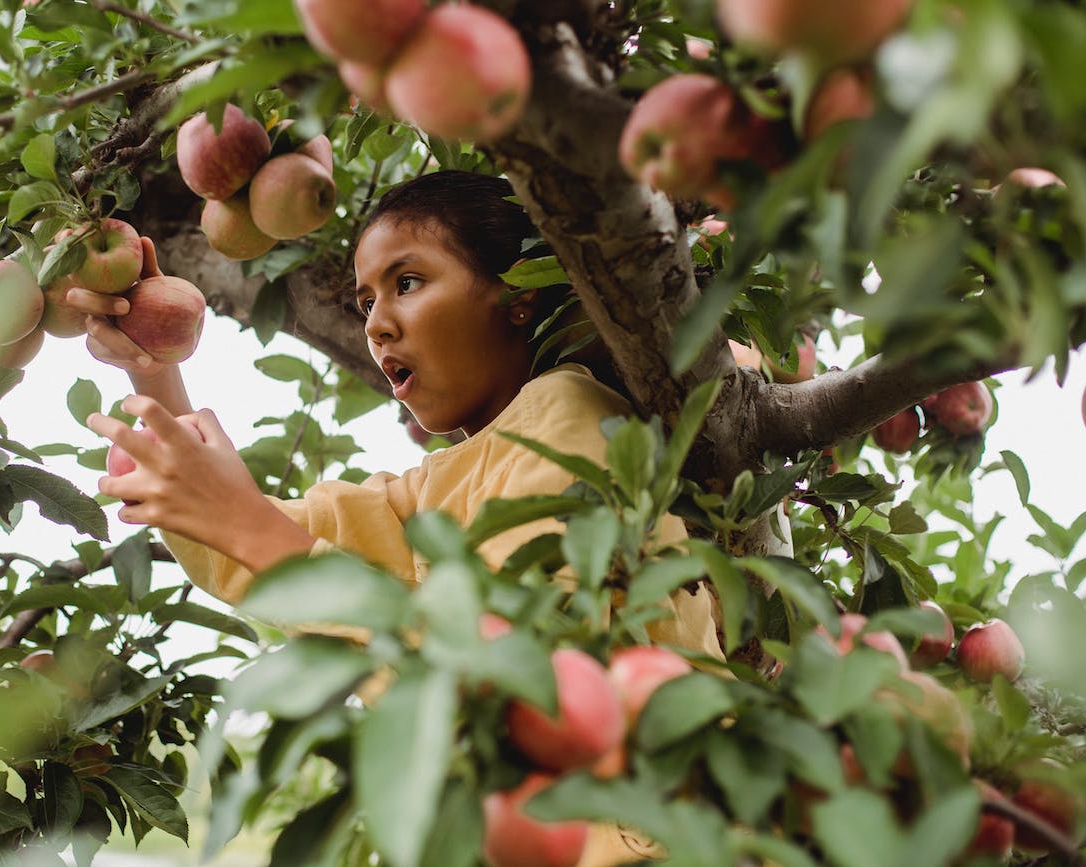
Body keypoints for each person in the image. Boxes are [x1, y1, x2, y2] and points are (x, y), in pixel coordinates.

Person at [75, 170, 721, 865]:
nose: (376, 322)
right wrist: (153, 363)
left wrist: (246, 525)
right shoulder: (435, 487)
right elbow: (241, 544)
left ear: (519, 295)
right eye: (365, 299)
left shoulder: (571, 412)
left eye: (407, 282)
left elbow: (527, 685)